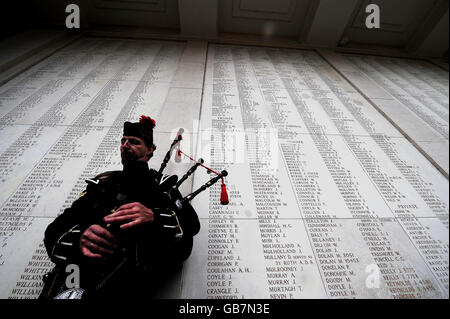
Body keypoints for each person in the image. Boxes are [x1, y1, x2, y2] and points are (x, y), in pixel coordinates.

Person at [40, 115, 200, 299]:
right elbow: (55, 230)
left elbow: (191, 226)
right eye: (123, 141)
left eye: (133, 141)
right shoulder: (101, 184)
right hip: (74, 280)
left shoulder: (162, 187)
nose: (125, 145)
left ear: (150, 150)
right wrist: (81, 236)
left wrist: (155, 218)